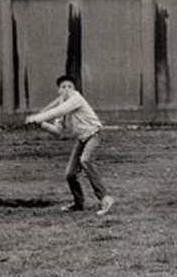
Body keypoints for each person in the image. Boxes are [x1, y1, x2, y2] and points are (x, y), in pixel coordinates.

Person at [25, 75, 115, 216]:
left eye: (69, 86)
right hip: (81, 139)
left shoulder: (76, 99)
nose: (66, 89)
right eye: (63, 87)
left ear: (74, 90)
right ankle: (78, 203)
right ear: (59, 91)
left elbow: (58, 111)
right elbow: (59, 132)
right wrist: (41, 124)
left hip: (94, 134)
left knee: (85, 160)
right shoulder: (63, 106)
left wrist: (37, 117)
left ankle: (105, 198)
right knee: (70, 174)